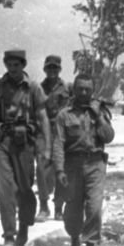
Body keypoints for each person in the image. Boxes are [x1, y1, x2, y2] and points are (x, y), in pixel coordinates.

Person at [0, 49, 50, 246]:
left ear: (23, 65)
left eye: (16, 65)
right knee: (6, 188)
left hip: (25, 143)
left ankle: (24, 225)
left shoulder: (33, 87)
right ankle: (9, 234)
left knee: (24, 188)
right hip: (3, 141)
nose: (12, 69)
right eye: (9, 65)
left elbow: (42, 117)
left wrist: (46, 147)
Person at [52, 73, 115, 246]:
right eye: (80, 89)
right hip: (72, 165)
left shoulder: (99, 112)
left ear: (92, 91)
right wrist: (60, 170)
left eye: (88, 89)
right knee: (72, 209)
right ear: (74, 90)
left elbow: (109, 137)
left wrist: (99, 117)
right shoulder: (65, 114)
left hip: (95, 164)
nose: (84, 92)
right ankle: (74, 240)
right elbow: (58, 144)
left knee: (94, 207)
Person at [39, 55, 71, 221]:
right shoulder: (39, 88)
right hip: (44, 131)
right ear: (45, 69)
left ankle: (59, 207)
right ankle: (43, 206)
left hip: (62, 131)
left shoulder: (66, 88)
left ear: (59, 70)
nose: (52, 71)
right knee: (43, 169)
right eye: (49, 68)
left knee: (60, 168)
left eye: (55, 68)